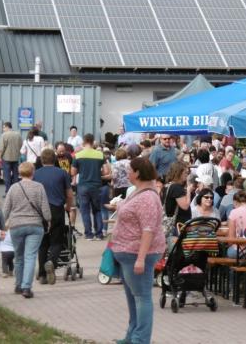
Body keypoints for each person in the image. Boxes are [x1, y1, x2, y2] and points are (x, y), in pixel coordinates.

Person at [110, 157, 166, 344]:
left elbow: (148, 230)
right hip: (127, 253)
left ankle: (140, 339)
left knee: (142, 298)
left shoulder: (148, 197)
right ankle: (132, 335)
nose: (127, 173)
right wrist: (119, 206)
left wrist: (141, 258)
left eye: (130, 170)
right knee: (133, 299)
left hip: (138, 254)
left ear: (138, 173)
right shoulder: (138, 192)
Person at [4, 162, 51, 299]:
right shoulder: (39, 187)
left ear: (19, 173)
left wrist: (2, 224)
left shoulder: (13, 188)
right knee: (30, 256)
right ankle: (26, 287)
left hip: (16, 226)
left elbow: (6, 209)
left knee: (19, 257)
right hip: (35, 226)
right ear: (33, 172)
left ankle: (18, 285)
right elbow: (46, 210)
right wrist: (48, 219)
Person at [34, 148, 76, 285]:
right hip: (57, 209)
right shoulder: (62, 173)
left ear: (41, 160)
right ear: (55, 159)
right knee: (56, 240)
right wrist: (68, 207)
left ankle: (41, 274)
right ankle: (52, 261)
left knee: (43, 243)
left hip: (40, 211)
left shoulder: (36, 174)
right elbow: (69, 194)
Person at [71, 133, 111, 240]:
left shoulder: (78, 155)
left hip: (83, 185)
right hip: (96, 185)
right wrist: (98, 172)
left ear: (84, 142)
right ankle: (99, 234)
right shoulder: (99, 154)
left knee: (85, 210)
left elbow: (73, 172)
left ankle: (88, 234)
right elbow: (106, 171)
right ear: (93, 142)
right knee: (97, 210)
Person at [162, 162, 192, 230]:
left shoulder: (168, 185)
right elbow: (185, 206)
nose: (187, 175)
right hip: (177, 225)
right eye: (185, 172)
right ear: (179, 173)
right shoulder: (176, 188)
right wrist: (188, 191)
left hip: (173, 223)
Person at [0, 121, 23, 193]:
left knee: (7, 176)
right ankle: (16, 191)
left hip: (6, 158)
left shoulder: (4, 135)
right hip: (16, 158)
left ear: (7, 127)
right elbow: (21, 145)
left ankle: (8, 191)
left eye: (3, 127)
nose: (3, 129)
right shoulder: (18, 135)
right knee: (16, 175)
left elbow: (2, 148)